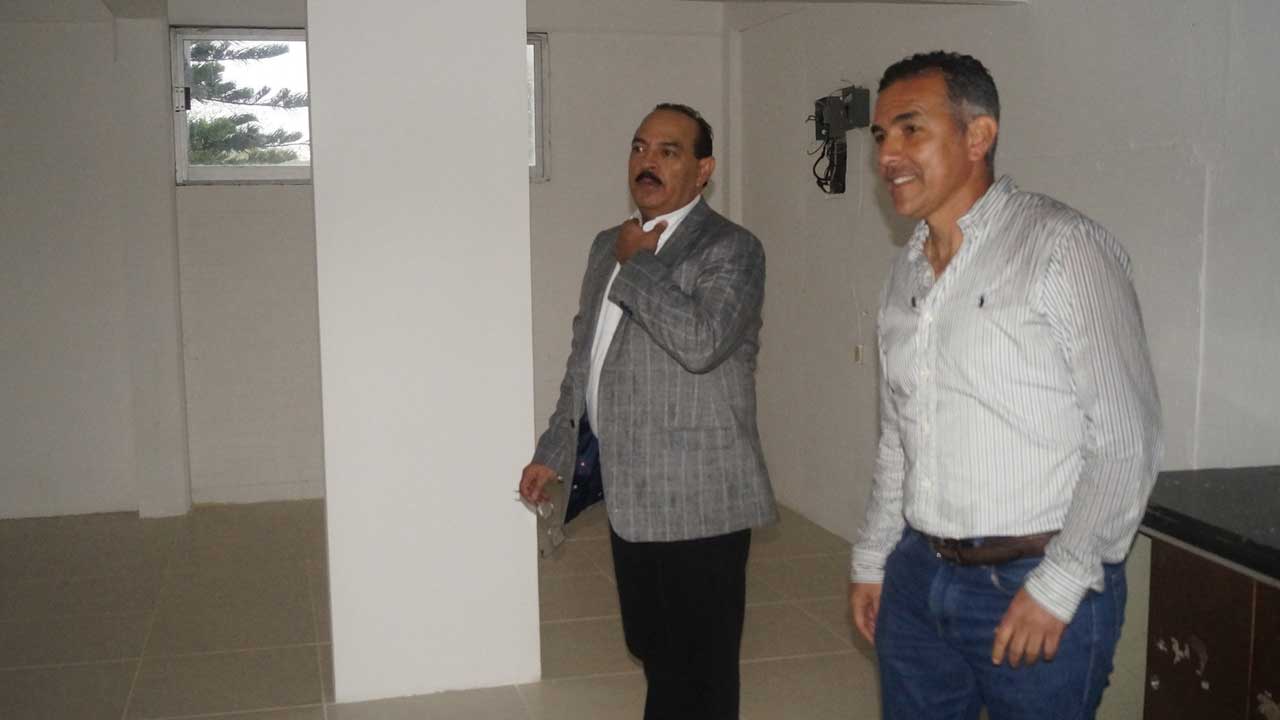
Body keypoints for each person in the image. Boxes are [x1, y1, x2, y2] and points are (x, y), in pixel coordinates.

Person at [849, 51, 1163, 719]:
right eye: (880, 136)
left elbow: (1125, 438)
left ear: (979, 135)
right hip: (918, 576)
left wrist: (1060, 584)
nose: (888, 155)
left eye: (911, 129)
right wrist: (873, 558)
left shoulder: (1063, 247)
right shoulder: (905, 272)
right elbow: (898, 436)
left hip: (1033, 580)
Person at [519, 102, 778, 720]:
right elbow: (585, 358)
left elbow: (701, 342)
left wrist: (639, 262)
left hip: (702, 496)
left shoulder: (731, 248)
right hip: (632, 493)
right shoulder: (606, 246)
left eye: (668, 150)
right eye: (639, 147)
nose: (648, 161)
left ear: (703, 169)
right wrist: (553, 449)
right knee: (655, 650)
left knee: (702, 669)